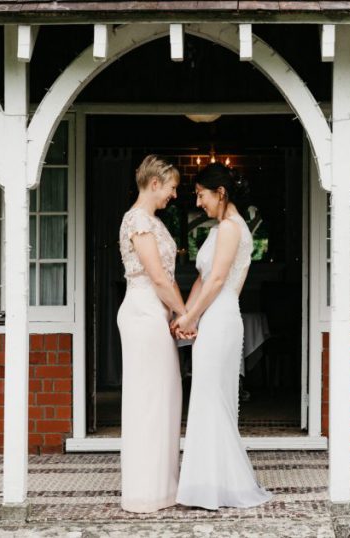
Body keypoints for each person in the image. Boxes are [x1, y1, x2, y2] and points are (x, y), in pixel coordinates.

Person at [172, 163, 272, 510]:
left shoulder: (232, 228)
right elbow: (202, 278)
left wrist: (192, 315)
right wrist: (184, 314)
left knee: (214, 398)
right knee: (205, 396)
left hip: (222, 316)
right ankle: (207, 481)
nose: (198, 202)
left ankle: (222, 483)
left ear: (220, 193)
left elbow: (217, 283)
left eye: (200, 194)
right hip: (209, 315)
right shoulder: (219, 230)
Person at [116, 155, 186, 513]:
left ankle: (162, 487)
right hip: (143, 312)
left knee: (164, 397)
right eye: (172, 188)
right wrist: (186, 313)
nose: (173, 195)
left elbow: (166, 279)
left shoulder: (151, 221)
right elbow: (158, 278)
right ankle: (145, 491)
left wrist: (176, 310)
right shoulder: (138, 220)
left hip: (155, 312)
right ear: (155, 183)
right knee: (149, 401)